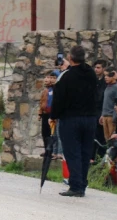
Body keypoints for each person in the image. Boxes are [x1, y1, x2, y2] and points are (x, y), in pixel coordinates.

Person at [50, 46, 97, 197]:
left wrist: (53, 116)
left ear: (70, 58)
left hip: (71, 119)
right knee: (85, 152)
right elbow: (82, 69)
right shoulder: (91, 73)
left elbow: (58, 98)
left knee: (72, 152)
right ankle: (82, 183)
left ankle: (76, 186)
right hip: (90, 119)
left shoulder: (66, 76)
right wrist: (69, 67)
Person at [39, 71, 57, 157]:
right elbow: (42, 102)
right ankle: (46, 149)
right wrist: (40, 113)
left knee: (52, 132)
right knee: (44, 132)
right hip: (45, 113)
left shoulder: (55, 89)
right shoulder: (46, 90)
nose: (47, 79)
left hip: (52, 113)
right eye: (46, 77)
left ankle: (52, 151)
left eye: (50, 77)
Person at [92, 60, 108, 161]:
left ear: (103, 69)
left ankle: (100, 158)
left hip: (102, 112)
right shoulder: (94, 81)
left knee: (101, 137)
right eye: (95, 67)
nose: (96, 70)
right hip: (93, 112)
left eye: (98, 68)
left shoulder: (105, 83)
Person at [100, 67, 117, 142]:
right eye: (105, 76)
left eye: (108, 76)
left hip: (111, 117)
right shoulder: (108, 87)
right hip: (105, 116)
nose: (105, 77)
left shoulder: (116, 87)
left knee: (112, 139)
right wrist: (102, 114)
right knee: (106, 139)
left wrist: (115, 118)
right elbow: (105, 101)